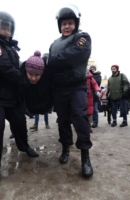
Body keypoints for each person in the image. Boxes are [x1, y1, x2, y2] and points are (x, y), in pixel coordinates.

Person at [0, 11, 39, 184]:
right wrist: (25, 80)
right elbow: (4, 68)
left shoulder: (10, 46)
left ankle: (23, 146)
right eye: (3, 28)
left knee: (20, 123)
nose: (6, 31)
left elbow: (15, 67)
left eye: (9, 28)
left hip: (12, 95)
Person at [47, 4, 93, 178]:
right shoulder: (54, 44)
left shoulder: (82, 38)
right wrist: (45, 58)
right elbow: (49, 64)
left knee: (80, 118)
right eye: (64, 23)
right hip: (59, 88)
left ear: (76, 24)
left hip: (76, 86)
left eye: (70, 23)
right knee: (63, 120)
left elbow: (74, 55)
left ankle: (85, 156)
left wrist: (51, 61)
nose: (67, 26)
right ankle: (66, 147)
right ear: (60, 25)